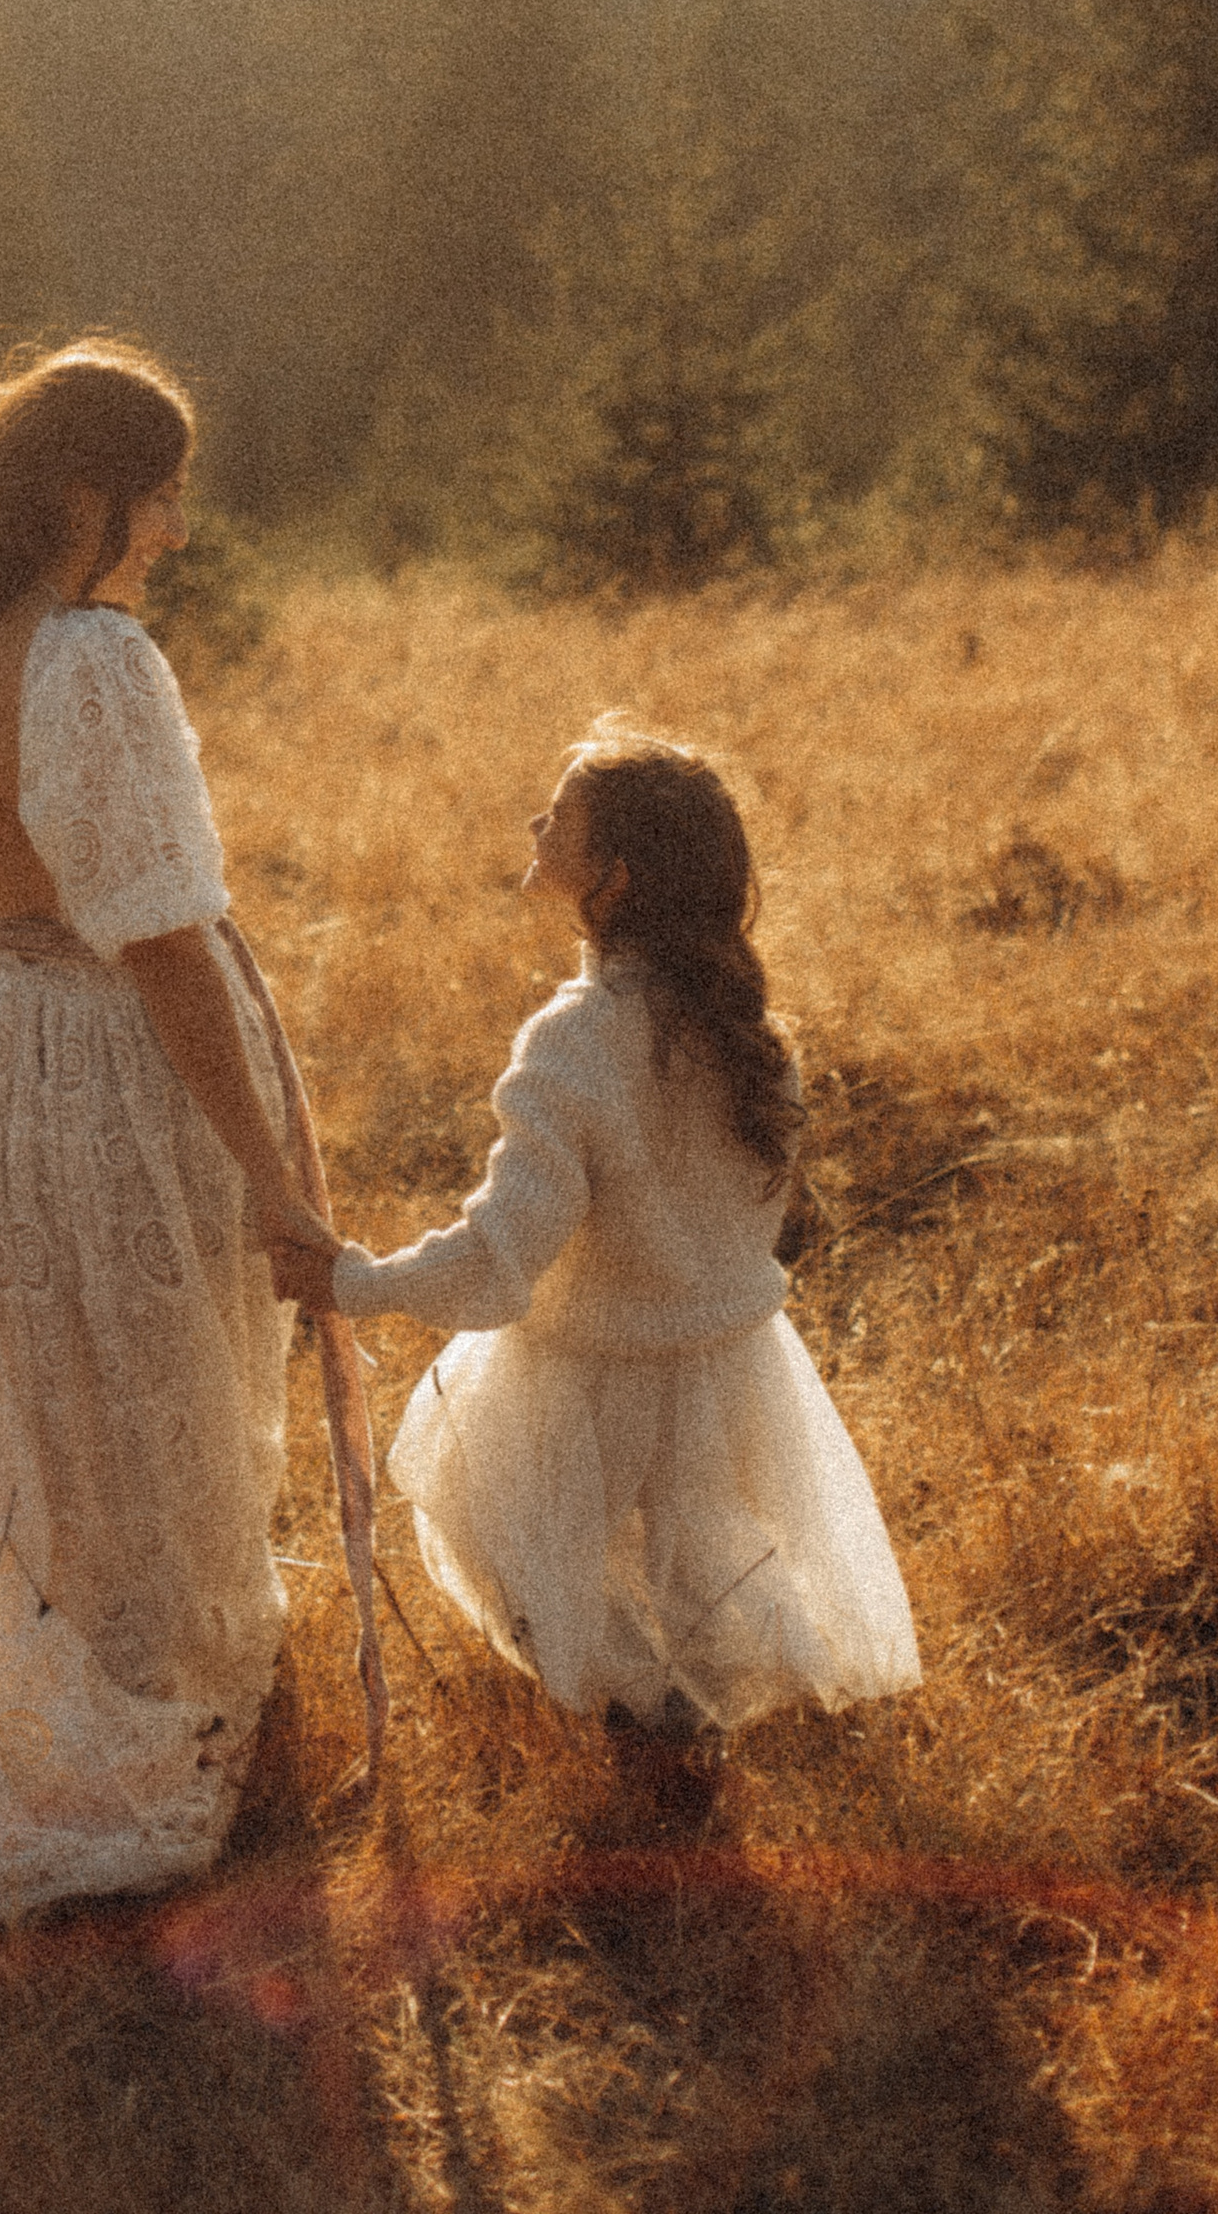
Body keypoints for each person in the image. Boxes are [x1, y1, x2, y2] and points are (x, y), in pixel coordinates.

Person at [0, 338, 342, 1933]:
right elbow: (166, 944)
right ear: (85, 497)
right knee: (149, 1383)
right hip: (95, 1051)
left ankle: (59, 1703)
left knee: (35, 1385)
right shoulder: (92, 661)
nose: (174, 536)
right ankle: (152, 1725)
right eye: (159, 500)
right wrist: (276, 1186)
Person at [279, 722, 918, 1734]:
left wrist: (355, 1283)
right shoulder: (753, 1039)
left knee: (517, 1525)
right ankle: (701, 1719)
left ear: (609, 879)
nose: (536, 821)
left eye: (560, 815)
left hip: (590, 1366)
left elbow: (503, 1258)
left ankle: (644, 1720)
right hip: (727, 1365)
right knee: (706, 1551)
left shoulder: (575, 1042)